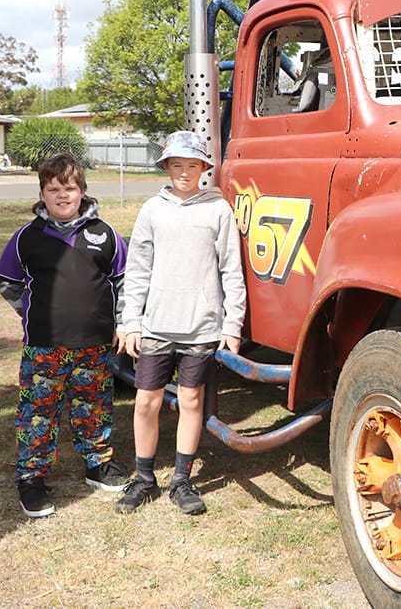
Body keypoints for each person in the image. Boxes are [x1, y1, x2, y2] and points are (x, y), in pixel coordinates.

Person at [115, 130, 246, 515]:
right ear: (166, 167)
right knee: (146, 401)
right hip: (156, 326)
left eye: (192, 165)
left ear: (204, 168)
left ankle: (182, 480)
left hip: (201, 327)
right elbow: (137, 269)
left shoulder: (218, 210)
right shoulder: (152, 210)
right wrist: (130, 321)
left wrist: (232, 324)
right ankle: (144, 478)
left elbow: (231, 269)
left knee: (190, 400)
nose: (185, 172)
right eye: (177, 165)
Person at [0, 153, 130, 518]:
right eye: (53, 189)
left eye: (69, 188)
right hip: (45, 346)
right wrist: (31, 310)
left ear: (82, 191)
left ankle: (97, 464)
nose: (62, 196)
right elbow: (6, 281)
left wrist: (120, 321)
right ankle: (31, 478)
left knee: (93, 406)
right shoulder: (27, 238)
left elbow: (123, 281)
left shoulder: (105, 234)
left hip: (95, 343)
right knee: (38, 412)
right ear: (42, 194)